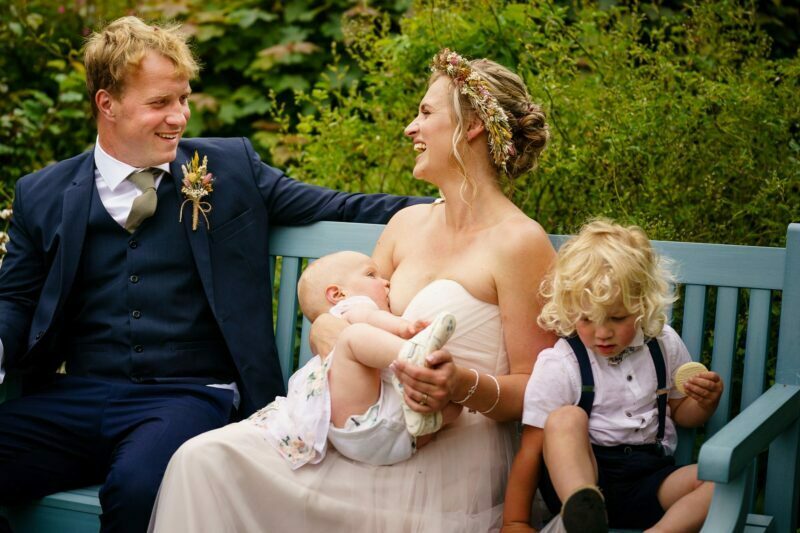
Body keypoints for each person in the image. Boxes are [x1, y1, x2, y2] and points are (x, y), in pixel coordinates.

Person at [0, 16, 422, 533]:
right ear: (106, 104)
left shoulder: (228, 168)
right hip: (77, 395)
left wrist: (455, 208)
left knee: (138, 487)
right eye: (160, 103)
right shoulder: (41, 193)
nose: (179, 117)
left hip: (190, 397)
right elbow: (15, 300)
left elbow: (341, 206)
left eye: (183, 99)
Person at [149, 48, 557, 532]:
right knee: (201, 459)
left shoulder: (520, 243)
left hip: (448, 457)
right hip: (366, 434)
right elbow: (338, 316)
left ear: (471, 126)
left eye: (426, 113)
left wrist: (461, 385)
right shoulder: (407, 225)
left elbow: (542, 386)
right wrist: (334, 333)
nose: (411, 128)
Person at [502, 219, 724, 533]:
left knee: (719, 483)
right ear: (570, 308)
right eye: (588, 319)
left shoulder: (662, 345)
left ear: (641, 304)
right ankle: (583, 509)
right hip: (585, 475)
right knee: (565, 419)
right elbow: (531, 449)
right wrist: (515, 521)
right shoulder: (562, 363)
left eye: (617, 318)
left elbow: (682, 412)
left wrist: (705, 401)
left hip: (650, 479)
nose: (602, 333)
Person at [255, 250, 461, 468]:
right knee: (353, 336)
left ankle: (426, 415)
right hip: (370, 425)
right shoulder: (349, 309)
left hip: (363, 435)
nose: (386, 282)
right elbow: (371, 316)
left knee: (455, 407)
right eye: (372, 275)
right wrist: (404, 327)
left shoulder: (344, 331)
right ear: (338, 295)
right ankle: (413, 355)